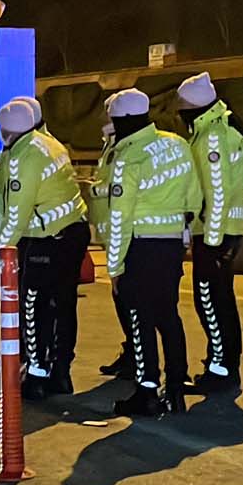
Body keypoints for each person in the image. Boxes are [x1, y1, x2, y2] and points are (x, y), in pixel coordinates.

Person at [104, 88, 202, 416]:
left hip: (140, 249)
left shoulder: (128, 157)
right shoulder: (177, 144)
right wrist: (182, 235)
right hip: (170, 246)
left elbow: (119, 217)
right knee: (168, 316)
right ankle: (175, 388)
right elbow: (194, 198)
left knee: (139, 320)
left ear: (123, 122)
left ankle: (146, 391)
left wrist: (114, 266)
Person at [0, 98, 91, 400]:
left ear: (8, 131)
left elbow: (16, 215)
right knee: (62, 305)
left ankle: (36, 375)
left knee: (32, 305)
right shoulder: (45, 144)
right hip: (70, 234)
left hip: (49, 238)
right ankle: (60, 373)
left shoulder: (26, 156)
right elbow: (15, 180)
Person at [175, 72, 243, 394]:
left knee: (212, 301)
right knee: (219, 300)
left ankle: (221, 370)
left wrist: (209, 240)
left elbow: (217, 192)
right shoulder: (216, 129)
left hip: (217, 233)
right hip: (223, 230)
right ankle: (222, 366)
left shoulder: (212, 135)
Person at [90, 118, 135, 381]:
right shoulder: (112, 145)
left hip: (127, 237)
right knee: (123, 301)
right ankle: (132, 355)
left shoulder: (125, 148)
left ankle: (140, 362)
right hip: (114, 238)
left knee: (132, 302)